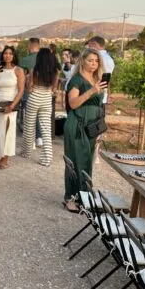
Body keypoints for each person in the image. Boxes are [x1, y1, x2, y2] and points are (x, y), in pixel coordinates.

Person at [63, 49, 107, 212]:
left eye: (96, 60)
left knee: (87, 161)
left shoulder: (97, 79)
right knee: (75, 161)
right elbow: (73, 103)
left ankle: (85, 196)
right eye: (90, 60)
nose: (94, 63)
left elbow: (100, 104)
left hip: (92, 127)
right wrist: (92, 91)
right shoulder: (76, 80)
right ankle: (70, 198)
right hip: (77, 124)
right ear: (82, 61)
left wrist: (100, 128)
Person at [0, 46, 25, 170]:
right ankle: (1, 157)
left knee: (8, 131)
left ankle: (5, 160)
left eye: (10, 53)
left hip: (10, 103)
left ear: (13, 55)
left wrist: (12, 106)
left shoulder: (18, 70)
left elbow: (21, 91)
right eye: (5, 53)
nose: (7, 55)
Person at [21, 48, 59, 166]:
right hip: (46, 99)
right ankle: (47, 159)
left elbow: (30, 88)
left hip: (34, 98)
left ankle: (26, 152)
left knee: (29, 127)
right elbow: (54, 89)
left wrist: (29, 84)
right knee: (46, 130)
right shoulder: (55, 72)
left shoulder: (35, 70)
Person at [19, 37, 42, 146]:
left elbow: (20, 77)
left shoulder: (25, 60)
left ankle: (31, 140)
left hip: (29, 92)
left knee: (30, 115)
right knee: (41, 115)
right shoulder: (46, 59)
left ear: (30, 45)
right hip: (44, 92)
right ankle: (40, 137)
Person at [86, 36, 114, 105]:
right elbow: (107, 79)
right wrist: (108, 94)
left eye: (89, 46)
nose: (89, 49)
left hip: (92, 95)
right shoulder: (109, 59)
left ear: (95, 45)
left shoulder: (97, 58)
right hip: (102, 95)